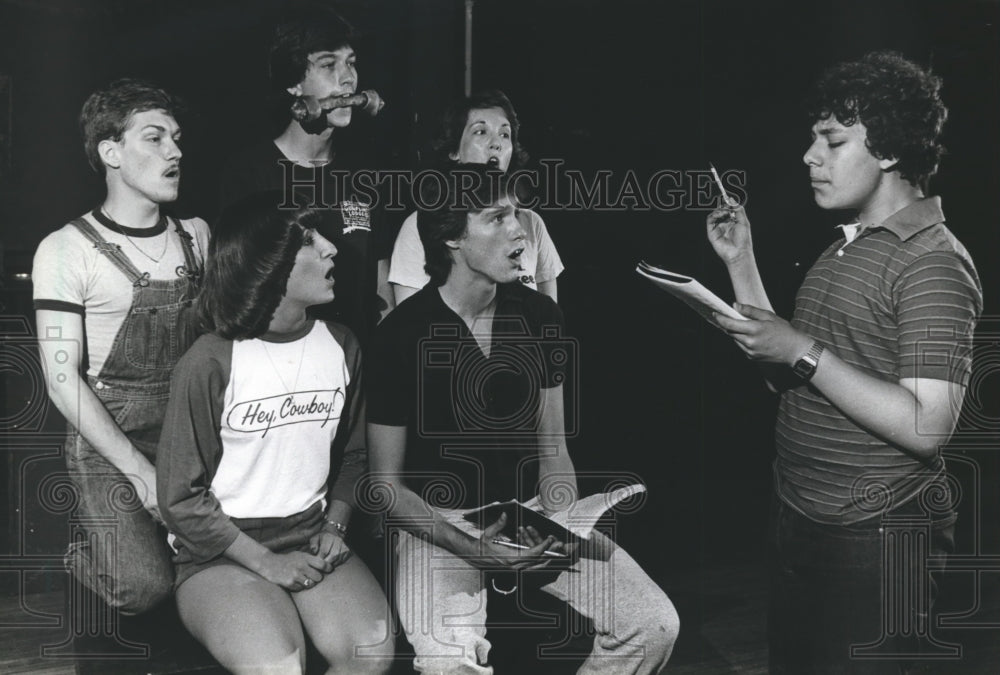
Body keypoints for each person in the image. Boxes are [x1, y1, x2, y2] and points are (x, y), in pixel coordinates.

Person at [706, 51, 982, 673]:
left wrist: (801, 349)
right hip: (800, 517)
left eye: (831, 140)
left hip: (877, 539)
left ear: (887, 150)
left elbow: (927, 426)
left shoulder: (931, 261)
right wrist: (740, 263)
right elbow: (788, 375)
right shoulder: (844, 251)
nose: (810, 155)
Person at [369, 164, 678, 674]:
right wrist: (472, 547)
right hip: (439, 524)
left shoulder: (540, 316)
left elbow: (554, 449)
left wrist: (558, 519)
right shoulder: (399, 337)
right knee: (449, 663)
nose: (520, 229)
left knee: (652, 623)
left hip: (528, 515)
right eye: (497, 218)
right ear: (451, 237)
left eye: (517, 213)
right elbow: (385, 487)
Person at [156, 193, 393, 674]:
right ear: (268, 263)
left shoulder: (342, 344)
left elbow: (352, 456)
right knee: (279, 667)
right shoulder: (210, 360)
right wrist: (266, 563)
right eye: (309, 240)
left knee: (371, 656)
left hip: (310, 534)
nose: (331, 248)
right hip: (221, 552)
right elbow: (180, 498)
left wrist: (337, 524)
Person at [33, 78, 209, 614]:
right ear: (110, 152)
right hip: (109, 441)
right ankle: (85, 551)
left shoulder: (198, 235)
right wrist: (141, 475)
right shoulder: (65, 250)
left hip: (189, 436)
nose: (175, 151)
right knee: (144, 588)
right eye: (154, 138)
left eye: (176, 138)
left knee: (226, 561)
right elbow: (64, 384)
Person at [219, 2, 392, 342]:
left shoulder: (365, 174)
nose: (348, 79)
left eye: (351, 63)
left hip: (356, 362)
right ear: (293, 84)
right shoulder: (249, 175)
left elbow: (380, 280)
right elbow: (238, 290)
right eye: (329, 65)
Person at [388, 90, 563, 306]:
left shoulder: (531, 224)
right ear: (454, 150)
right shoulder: (418, 225)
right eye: (481, 132)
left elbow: (548, 317)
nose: (496, 143)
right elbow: (410, 322)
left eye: (505, 134)